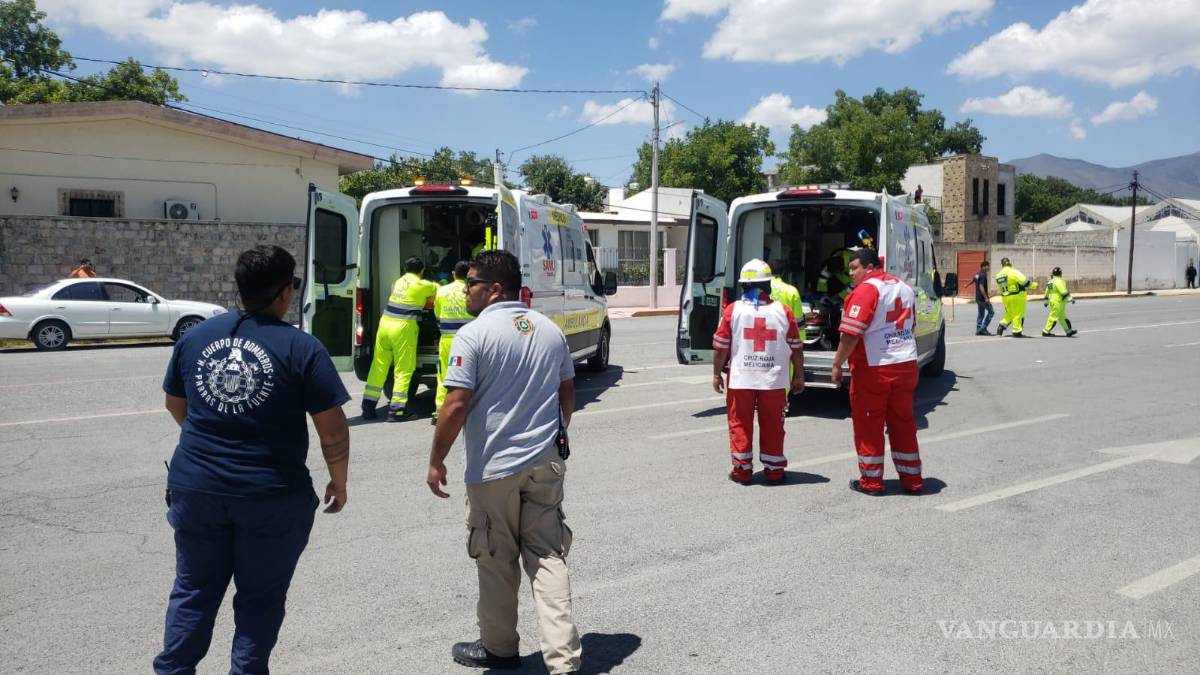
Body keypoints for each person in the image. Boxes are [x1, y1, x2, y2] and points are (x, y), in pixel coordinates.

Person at [154, 245, 350, 674]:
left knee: (193, 590)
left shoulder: (196, 337)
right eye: (293, 285)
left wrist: (207, 440)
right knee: (260, 597)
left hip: (196, 488)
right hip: (270, 495)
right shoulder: (301, 347)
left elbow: (174, 403)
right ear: (284, 292)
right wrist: (339, 481)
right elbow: (332, 428)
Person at [427, 250, 582, 674]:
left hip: (494, 469)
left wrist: (436, 459)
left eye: (472, 282)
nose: (465, 289)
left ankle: (498, 648)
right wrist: (554, 431)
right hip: (545, 463)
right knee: (548, 556)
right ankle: (563, 660)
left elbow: (456, 404)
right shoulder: (549, 330)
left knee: (495, 559)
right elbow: (567, 391)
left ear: (495, 289)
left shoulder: (474, 335)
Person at [830, 248, 923, 496]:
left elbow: (851, 333)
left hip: (875, 368)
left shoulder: (867, 290)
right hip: (906, 364)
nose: (851, 273)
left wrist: (837, 363)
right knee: (903, 422)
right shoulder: (904, 287)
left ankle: (871, 482)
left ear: (870, 267)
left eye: (854, 267)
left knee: (869, 423)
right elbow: (911, 325)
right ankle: (912, 479)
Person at [712, 259, 805, 485]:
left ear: (743, 286)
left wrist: (716, 374)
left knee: (739, 424)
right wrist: (799, 375)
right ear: (769, 285)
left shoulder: (733, 310)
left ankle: (742, 471)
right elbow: (796, 347)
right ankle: (774, 471)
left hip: (740, 379)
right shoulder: (783, 311)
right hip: (773, 380)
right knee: (773, 425)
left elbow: (720, 347)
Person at [361, 257, 438, 421]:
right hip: (403, 328)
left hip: (385, 325)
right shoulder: (424, 285)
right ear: (422, 271)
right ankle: (397, 411)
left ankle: (368, 407)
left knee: (379, 366)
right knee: (403, 369)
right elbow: (439, 293)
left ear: (404, 269)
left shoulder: (398, 282)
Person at [433, 260, 473, 423]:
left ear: (453, 274)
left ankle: (440, 412)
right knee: (470, 376)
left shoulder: (442, 291)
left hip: (447, 339)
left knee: (444, 376)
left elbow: (437, 314)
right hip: (469, 340)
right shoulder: (471, 291)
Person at [995, 257, 1037, 338]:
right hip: (1017, 296)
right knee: (1018, 314)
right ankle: (1017, 331)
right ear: (1009, 263)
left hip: (1005, 297)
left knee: (1009, 314)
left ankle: (1000, 327)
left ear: (1002, 265)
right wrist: (1034, 285)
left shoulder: (998, 275)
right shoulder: (1013, 272)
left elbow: (999, 288)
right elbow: (1025, 282)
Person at [1042, 267, 1077, 337]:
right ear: (1060, 273)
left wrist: (1046, 302)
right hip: (1058, 301)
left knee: (1062, 317)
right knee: (1053, 317)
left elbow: (1046, 292)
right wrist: (1070, 298)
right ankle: (1045, 331)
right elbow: (1063, 291)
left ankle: (1068, 331)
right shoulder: (1059, 281)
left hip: (1053, 301)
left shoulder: (1050, 281)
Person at [966, 260, 995, 335]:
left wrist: (967, 285)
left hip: (978, 298)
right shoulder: (983, 275)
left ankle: (979, 328)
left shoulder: (978, 274)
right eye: (988, 266)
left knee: (981, 313)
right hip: (982, 298)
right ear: (983, 267)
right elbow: (981, 286)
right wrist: (986, 297)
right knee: (991, 312)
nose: (989, 268)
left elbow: (973, 280)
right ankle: (983, 328)